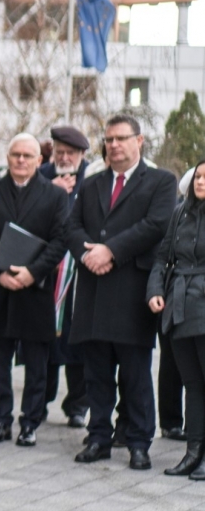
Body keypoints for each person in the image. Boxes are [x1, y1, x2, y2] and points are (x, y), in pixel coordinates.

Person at [69, 114, 178, 469]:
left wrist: (110, 251)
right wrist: (88, 254)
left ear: (139, 141)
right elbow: (71, 225)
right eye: (109, 139)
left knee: (135, 374)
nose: (113, 145)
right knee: (96, 374)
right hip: (93, 291)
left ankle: (138, 442)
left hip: (131, 292)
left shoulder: (161, 181)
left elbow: (156, 225)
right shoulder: (92, 183)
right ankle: (98, 436)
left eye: (121, 138)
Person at [0, 134, 70, 446]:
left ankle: (30, 423)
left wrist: (32, 272)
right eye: (16, 155)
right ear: (8, 157)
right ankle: (1, 421)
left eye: (28, 155)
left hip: (35, 291)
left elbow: (60, 240)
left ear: (39, 160)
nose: (21, 161)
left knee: (37, 364)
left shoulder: (55, 197)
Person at [148, 159, 205, 479]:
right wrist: (155, 291)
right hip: (179, 304)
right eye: (198, 176)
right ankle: (193, 452)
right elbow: (162, 257)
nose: (201, 182)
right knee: (193, 383)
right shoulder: (179, 213)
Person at [38, 125, 91, 428]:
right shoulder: (42, 176)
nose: (64, 157)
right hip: (46, 270)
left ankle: (77, 405)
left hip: (79, 273)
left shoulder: (93, 179)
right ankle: (39, 401)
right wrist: (50, 191)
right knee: (45, 340)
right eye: (60, 151)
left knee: (77, 339)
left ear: (82, 155)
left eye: (70, 153)